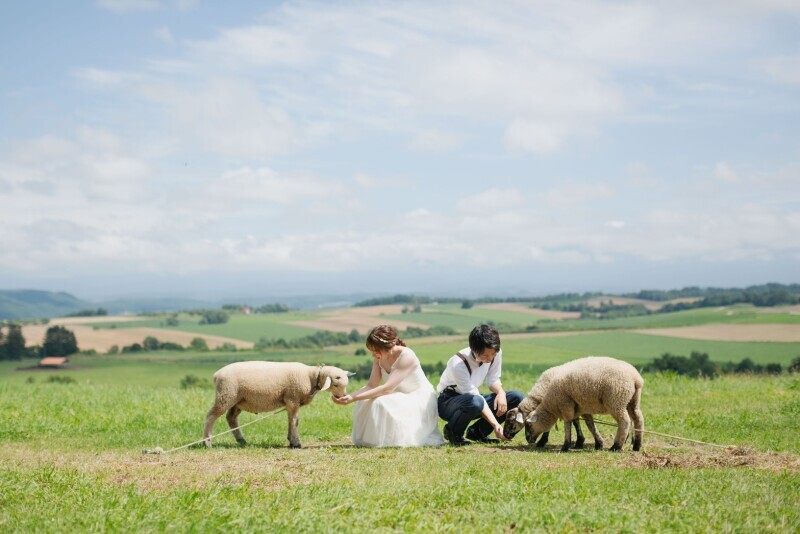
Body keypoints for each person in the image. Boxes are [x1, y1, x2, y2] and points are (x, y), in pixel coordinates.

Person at [332, 325, 444, 447]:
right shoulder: (379, 357)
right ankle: (371, 440)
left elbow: (387, 389)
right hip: (398, 394)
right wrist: (349, 396)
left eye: (376, 351)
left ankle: (388, 440)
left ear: (388, 346)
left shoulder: (407, 356)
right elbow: (371, 385)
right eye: (372, 351)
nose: (373, 355)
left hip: (418, 398)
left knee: (380, 403)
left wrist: (353, 398)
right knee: (364, 401)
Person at [437, 324, 523, 445]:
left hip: (473, 399)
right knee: (476, 402)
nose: (490, 358)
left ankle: (478, 432)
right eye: (485, 355)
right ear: (474, 349)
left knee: (516, 397)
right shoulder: (458, 364)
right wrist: (496, 425)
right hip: (448, 402)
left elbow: (493, 380)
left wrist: (501, 393)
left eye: (493, 354)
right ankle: (453, 432)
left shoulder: (495, 352)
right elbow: (474, 396)